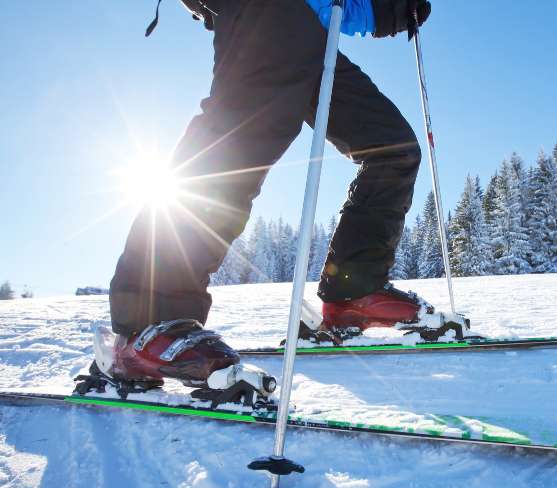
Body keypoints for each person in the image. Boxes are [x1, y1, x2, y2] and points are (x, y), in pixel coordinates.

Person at [103, 0, 433, 386]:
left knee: (392, 150)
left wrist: (386, 9)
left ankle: (353, 293)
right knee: (236, 145)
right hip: (264, 13)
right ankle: (148, 326)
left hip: (311, 30)